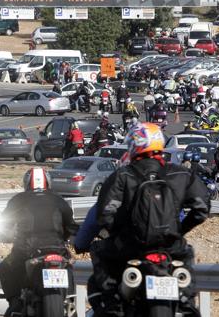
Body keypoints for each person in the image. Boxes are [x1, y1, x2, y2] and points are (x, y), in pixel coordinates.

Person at [89, 123, 209, 316]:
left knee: (98, 252)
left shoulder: (122, 175)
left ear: (134, 145)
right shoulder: (180, 173)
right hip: (171, 246)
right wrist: (179, 230)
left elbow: (104, 214)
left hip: (131, 247)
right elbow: (202, 209)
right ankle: (186, 301)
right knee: (187, 261)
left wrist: (121, 232)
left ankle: (113, 305)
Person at [0, 168, 79, 315]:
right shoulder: (59, 199)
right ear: (48, 182)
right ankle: (70, 300)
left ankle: (16, 302)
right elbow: (71, 226)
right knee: (69, 264)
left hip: (26, 251)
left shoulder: (18, 199)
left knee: (3, 267)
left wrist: (2, 236)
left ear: (27, 183)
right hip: (58, 250)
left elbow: (3, 225)